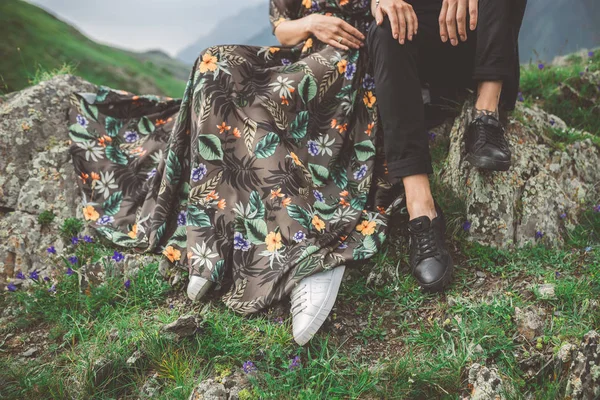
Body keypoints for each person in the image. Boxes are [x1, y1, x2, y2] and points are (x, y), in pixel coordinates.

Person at [68, 0, 400, 346]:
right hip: (302, 53)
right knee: (214, 64)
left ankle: (309, 257)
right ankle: (210, 242)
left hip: (353, 61)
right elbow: (283, 28)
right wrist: (312, 22)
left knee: (257, 110)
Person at [367, 0, 527, 290]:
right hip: (426, 52)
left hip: (483, 41)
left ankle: (486, 116)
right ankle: (422, 210)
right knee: (386, 26)